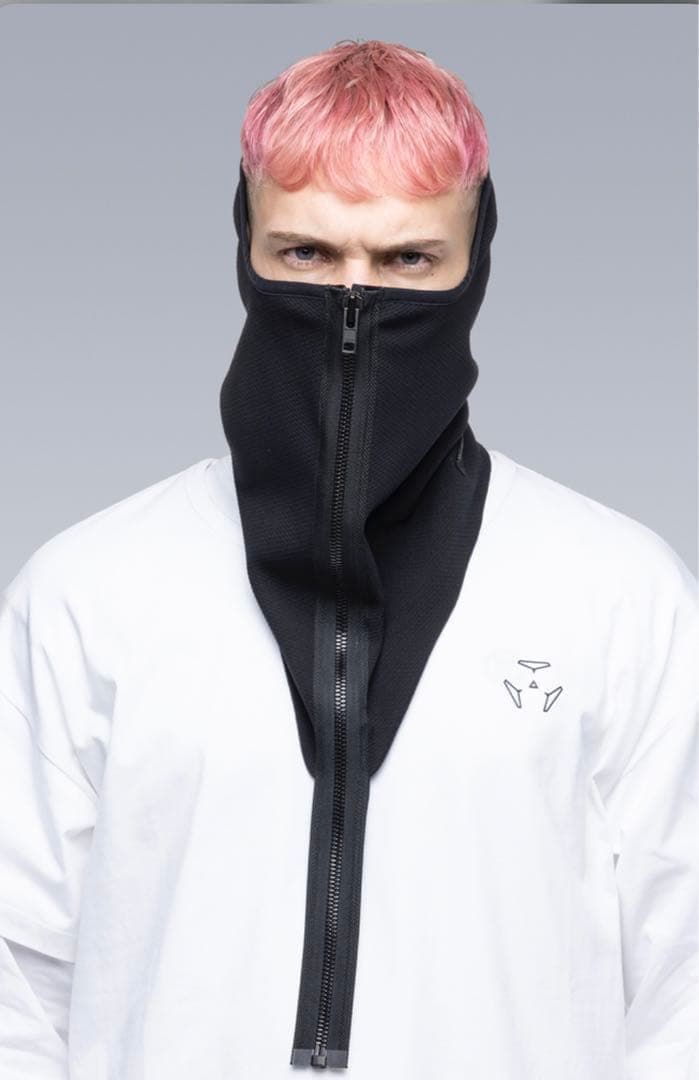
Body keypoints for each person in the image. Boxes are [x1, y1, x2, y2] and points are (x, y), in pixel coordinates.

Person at [0, 38, 697, 1080]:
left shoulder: (619, 594)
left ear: (475, 260)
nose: (352, 297)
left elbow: (683, 988)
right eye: (305, 255)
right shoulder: (87, 594)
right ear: (245, 247)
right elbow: (16, 981)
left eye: (409, 260)